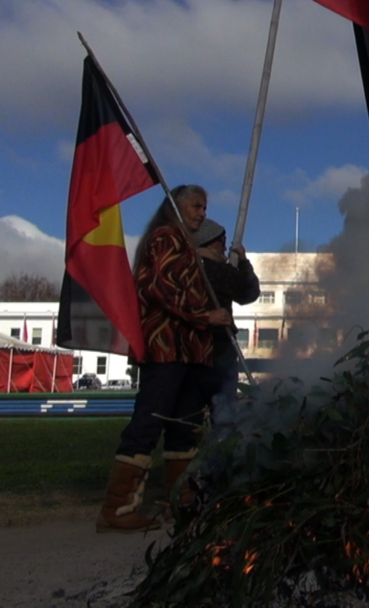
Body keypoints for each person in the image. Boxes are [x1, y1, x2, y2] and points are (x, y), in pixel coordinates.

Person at [96, 184, 232, 533]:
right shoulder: (165, 239)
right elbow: (162, 289)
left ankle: (179, 501)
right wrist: (207, 317)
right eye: (196, 206)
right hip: (166, 347)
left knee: (183, 426)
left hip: (188, 351)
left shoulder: (184, 245)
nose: (202, 213)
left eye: (204, 207)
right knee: (149, 421)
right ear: (176, 207)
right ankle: (117, 509)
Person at [191, 218, 260, 402]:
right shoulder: (219, 269)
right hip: (219, 342)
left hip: (187, 344)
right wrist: (243, 262)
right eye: (223, 241)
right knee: (224, 405)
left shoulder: (185, 266)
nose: (224, 248)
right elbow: (249, 293)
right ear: (213, 242)